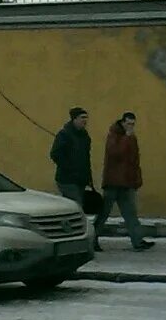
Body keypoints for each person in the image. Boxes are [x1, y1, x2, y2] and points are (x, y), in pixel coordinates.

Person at [100, 112, 155, 252]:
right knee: (103, 213)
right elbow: (116, 153)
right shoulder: (114, 135)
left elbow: (134, 160)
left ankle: (138, 241)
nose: (131, 127)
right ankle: (93, 238)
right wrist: (127, 138)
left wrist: (137, 178)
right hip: (113, 182)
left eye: (133, 124)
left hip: (126, 182)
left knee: (131, 214)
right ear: (122, 122)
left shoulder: (130, 137)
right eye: (128, 124)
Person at [50, 107, 94, 213]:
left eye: (86, 118)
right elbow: (55, 154)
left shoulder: (85, 136)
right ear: (74, 119)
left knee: (74, 207)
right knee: (77, 206)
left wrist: (88, 178)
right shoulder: (64, 134)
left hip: (81, 179)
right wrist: (69, 168)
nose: (85, 120)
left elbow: (86, 158)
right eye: (82, 117)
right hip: (67, 179)